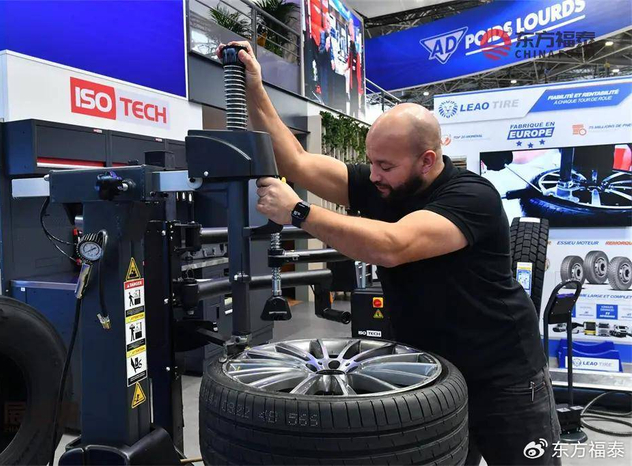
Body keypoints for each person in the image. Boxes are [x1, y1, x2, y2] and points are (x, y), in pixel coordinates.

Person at [216, 41, 562, 466]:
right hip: (431, 372)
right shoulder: (381, 184)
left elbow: (394, 246)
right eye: (371, 162)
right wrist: (254, 85)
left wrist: (299, 212)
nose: (374, 174)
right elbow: (298, 161)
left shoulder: (472, 196)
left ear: (427, 161)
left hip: (504, 377)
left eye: (386, 166)